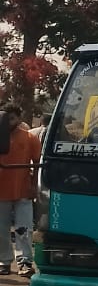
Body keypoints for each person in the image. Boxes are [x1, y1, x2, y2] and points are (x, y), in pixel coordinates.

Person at [0, 104, 41, 277]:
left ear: (18, 118)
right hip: (1, 193)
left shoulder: (29, 138)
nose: (9, 122)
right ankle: (4, 262)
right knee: (1, 230)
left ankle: (25, 262)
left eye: (12, 118)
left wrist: (33, 186)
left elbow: (37, 163)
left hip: (23, 192)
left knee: (24, 229)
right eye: (5, 119)